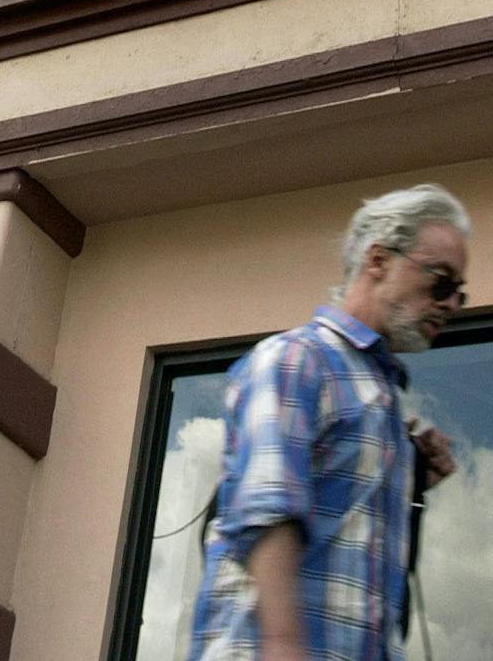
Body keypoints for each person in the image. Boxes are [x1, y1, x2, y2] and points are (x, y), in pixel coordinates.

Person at [187, 184, 470, 661]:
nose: (451, 306)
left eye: (459, 295)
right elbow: (266, 512)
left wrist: (410, 483)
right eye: (441, 282)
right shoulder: (298, 360)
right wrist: (282, 648)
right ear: (378, 260)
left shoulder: (381, 396)